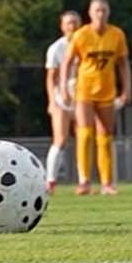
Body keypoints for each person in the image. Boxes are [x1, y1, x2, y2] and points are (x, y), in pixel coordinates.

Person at [62, 0, 130, 196]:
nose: (100, 14)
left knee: (105, 136)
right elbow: (67, 62)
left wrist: (127, 88)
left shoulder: (117, 34)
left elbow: (123, 63)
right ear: (90, 13)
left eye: (104, 10)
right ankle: (84, 181)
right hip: (85, 90)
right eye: (97, 10)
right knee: (84, 133)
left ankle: (107, 182)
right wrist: (64, 88)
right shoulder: (81, 35)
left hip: (107, 91)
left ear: (108, 13)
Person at [42, 10, 82, 191]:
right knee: (60, 138)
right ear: (62, 26)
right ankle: (50, 180)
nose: (72, 26)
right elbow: (51, 77)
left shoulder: (85, 43)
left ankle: (83, 180)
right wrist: (52, 101)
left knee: (84, 138)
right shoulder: (56, 48)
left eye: (75, 22)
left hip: (82, 95)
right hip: (62, 97)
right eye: (68, 23)